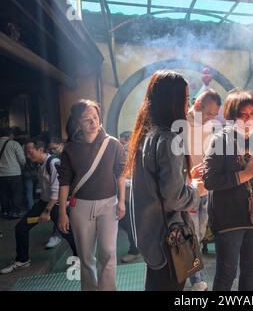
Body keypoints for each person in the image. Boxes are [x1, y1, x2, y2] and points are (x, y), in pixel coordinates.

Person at [125, 70, 198, 291]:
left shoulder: (145, 135)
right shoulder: (168, 138)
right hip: (169, 239)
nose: (188, 105)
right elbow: (174, 197)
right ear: (172, 102)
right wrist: (196, 190)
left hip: (150, 235)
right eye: (185, 99)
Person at [203, 89, 253, 291]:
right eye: (243, 114)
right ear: (232, 115)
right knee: (227, 274)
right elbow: (209, 180)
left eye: (252, 114)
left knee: (251, 272)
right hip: (228, 219)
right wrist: (246, 174)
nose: (249, 119)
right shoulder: (219, 140)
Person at [57, 99, 126, 291]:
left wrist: (122, 201)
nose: (93, 122)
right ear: (78, 122)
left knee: (108, 252)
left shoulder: (113, 144)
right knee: (86, 256)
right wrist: (62, 212)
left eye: (95, 117)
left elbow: (120, 174)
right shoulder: (70, 149)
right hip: (80, 206)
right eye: (87, 119)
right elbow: (64, 182)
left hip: (109, 204)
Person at [0, 138, 77, 274]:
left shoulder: (53, 163)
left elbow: (56, 190)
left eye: (30, 152)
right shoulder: (39, 164)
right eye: (26, 153)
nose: (28, 156)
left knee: (67, 233)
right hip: (44, 202)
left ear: (40, 150)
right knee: (20, 227)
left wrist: (47, 211)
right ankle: (22, 260)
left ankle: (80, 260)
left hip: (56, 204)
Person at [186, 89, 222, 291]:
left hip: (205, 186)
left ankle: (190, 273)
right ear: (197, 106)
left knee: (199, 234)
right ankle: (196, 279)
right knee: (190, 234)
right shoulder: (181, 123)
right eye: (209, 114)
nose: (211, 119)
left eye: (214, 115)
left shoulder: (209, 125)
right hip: (187, 187)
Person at [118, 131, 141, 264]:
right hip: (125, 195)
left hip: (133, 194)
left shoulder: (134, 152)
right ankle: (137, 245)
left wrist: (123, 181)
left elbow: (135, 176)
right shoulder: (126, 152)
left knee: (130, 222)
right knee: (126, 222)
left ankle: (135, 250)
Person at [0, 128, 26, 219]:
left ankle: (5, 212)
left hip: (1, 175)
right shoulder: (14, 144)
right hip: (14, 173)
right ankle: (15, 212)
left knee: (3, 194)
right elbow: (22, 160)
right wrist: (22, 167)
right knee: (16, 194)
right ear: (10, 134)